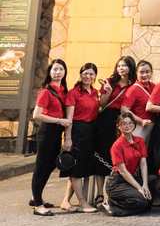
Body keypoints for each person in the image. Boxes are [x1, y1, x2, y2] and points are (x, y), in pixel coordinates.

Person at [59, 62, 101, 213]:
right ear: (80, 74)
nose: (88, 76)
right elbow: (69, 118)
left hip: (90, 131)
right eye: (85, 73)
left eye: (91, 74)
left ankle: (65, 201)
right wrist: (68, 138)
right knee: (76, 169)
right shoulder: (74, 92)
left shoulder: (95, 92)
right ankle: (82, 202)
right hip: (77, 130)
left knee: (78, 168)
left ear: (95, 76)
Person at [31, 59, 69, 216]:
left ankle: (36, 196)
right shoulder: (46, 91)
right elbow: (36, 115)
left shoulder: (63, 90)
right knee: (41, 167)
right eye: (55, 69)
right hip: (47, 131)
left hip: (57, 132)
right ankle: (38, 205)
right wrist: (60, 120)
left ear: (65, 72)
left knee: (50, 165)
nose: (58, 72)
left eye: (61, 69)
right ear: (49, 72)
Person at [94, 56, 136, 199]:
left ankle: (117, 192)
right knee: (103, 154)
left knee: (121, 157)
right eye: (119, 66)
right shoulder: (110, 81)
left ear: (131, 67)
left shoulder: (135, 84)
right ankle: (99, 193)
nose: (121, 68)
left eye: (124, 65)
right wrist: (107, 91)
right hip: (107, 119)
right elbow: (102, 103)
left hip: (125, 121)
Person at [104, 112, 153, 216]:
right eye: (124, 124)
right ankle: (113, 205)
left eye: (130, 123)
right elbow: (123, 172)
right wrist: (139, 189)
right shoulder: (117, 145)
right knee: (142, 200)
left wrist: (145, 185)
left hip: (132, 178)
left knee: (154, 184)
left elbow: (143, 164)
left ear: (134, 124)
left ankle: (137, 202)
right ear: (119, 126)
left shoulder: (139, 141)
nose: (127, 126)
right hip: (117, 182)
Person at [121, 60, 155, 142]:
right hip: (139, 126)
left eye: (147, 72)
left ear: (151, 72)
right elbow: (124, 109)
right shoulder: (134, 89)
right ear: (137, 73)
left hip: (152, 125)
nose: (145, 75)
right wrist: (140, 121)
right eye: (141, 72)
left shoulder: (154, 87)